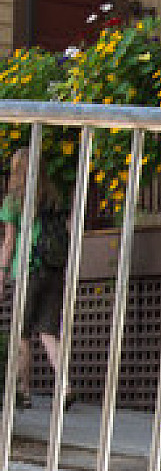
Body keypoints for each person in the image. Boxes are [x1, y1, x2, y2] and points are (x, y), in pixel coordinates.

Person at [0, 147, 73, 410]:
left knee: (22, 334)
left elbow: (9, 242)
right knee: (48, 333)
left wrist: (2, 273)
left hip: (28, 270)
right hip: (53, 270)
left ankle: (24, 392)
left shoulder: (14, 200)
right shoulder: (54, 197)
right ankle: (65, 385)